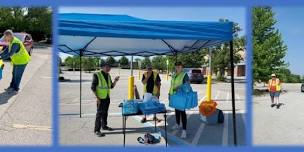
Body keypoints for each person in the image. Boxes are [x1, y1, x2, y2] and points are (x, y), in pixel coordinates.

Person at [91, 62, 119, 137]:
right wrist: (97, 98)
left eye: (109, 67)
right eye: (106, 67)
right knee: (99, 114)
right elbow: (93, 88)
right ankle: (97, 130)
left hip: (107, 97)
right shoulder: (97, 74)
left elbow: (111, 86)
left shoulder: (108, 75)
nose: (108, 68)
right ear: (102, 67)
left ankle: (104, 126)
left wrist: (115, 81)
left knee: (105, 113)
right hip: (100, 98)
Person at [169, 62, 189, 138]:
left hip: (181, 96)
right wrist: (169, 94)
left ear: (182, 67)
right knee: (176, 111)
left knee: (182, 112)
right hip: (174, 95)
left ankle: (184, 130)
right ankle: (177, 124)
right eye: (176, 66)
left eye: (179, 67)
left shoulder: (184, 75)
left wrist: (179, 87)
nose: (177, 68)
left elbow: (187, 85)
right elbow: (172, 85)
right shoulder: (174, 75)